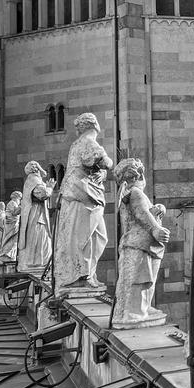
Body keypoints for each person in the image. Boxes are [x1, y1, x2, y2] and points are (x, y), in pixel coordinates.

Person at [110, 157, 170, 328]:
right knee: (140, 278)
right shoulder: (136, 193)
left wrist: (158, 209)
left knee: (140, 277)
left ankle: (139, 309)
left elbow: (144, 212)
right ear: (139, 175)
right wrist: (156, 230)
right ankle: (133, 314)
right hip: (140, 243)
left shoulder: (129, 193)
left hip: (137, 243)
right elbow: (142, 213)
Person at [55, 113, 112, 290]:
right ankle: (81, 276)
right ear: (94, 125)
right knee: (86, 237)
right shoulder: (88, 142)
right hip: (83, 194)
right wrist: (107, 166)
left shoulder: (77, 143)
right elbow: (103, 162)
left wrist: (101, 172)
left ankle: (86, 274)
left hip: (81, 193)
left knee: (96, 237)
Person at [17, 160, 54, 274]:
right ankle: (37, 262)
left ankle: (39, 261)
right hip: (36, 214)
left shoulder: (33, 180)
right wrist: (50, 187)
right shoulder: (34, 180)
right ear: (36, 169)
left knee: (41, 237)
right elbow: (43, 194)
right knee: (39, 236)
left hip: (37, 213)